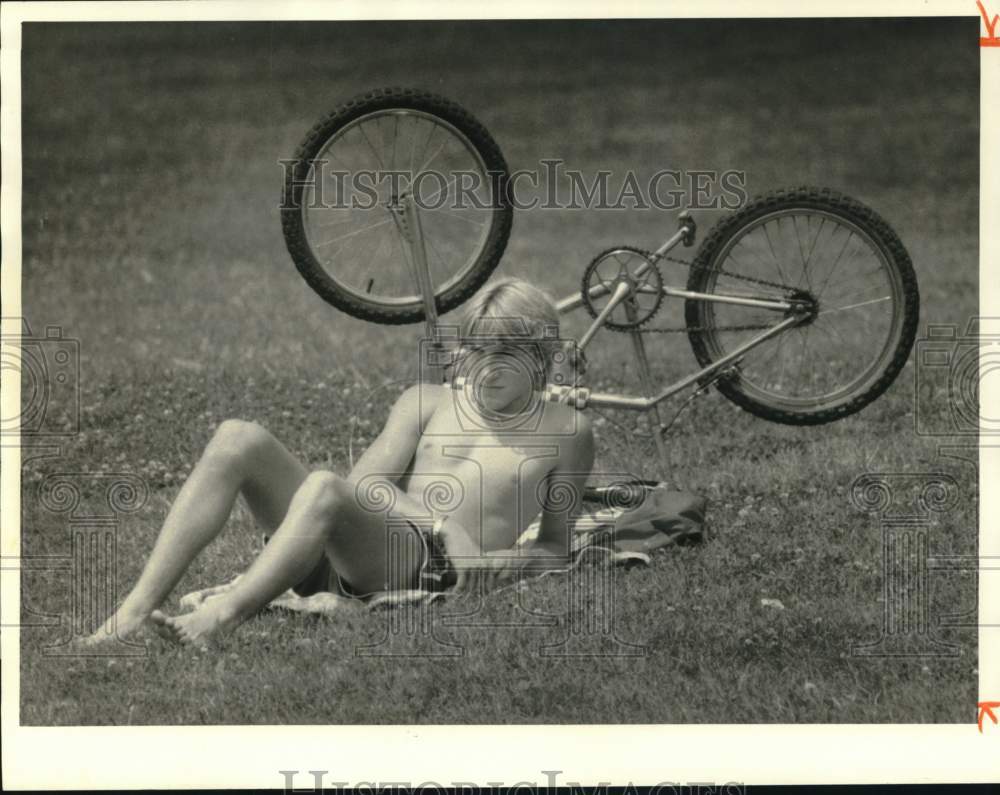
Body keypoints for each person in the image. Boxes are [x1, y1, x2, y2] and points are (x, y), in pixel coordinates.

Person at [83, 277, 595, 647]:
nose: (487, 367)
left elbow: (554, 547)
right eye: (477, 350)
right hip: (358, 544)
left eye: (505, 353)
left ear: (541, 355)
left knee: (325, 487)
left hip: (419, 567)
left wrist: (501, 562)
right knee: (237, 438)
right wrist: (444, 526)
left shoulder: (566, 432)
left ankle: (221, 618)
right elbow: (367, 484)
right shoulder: (427, 402)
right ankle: (133, 611)